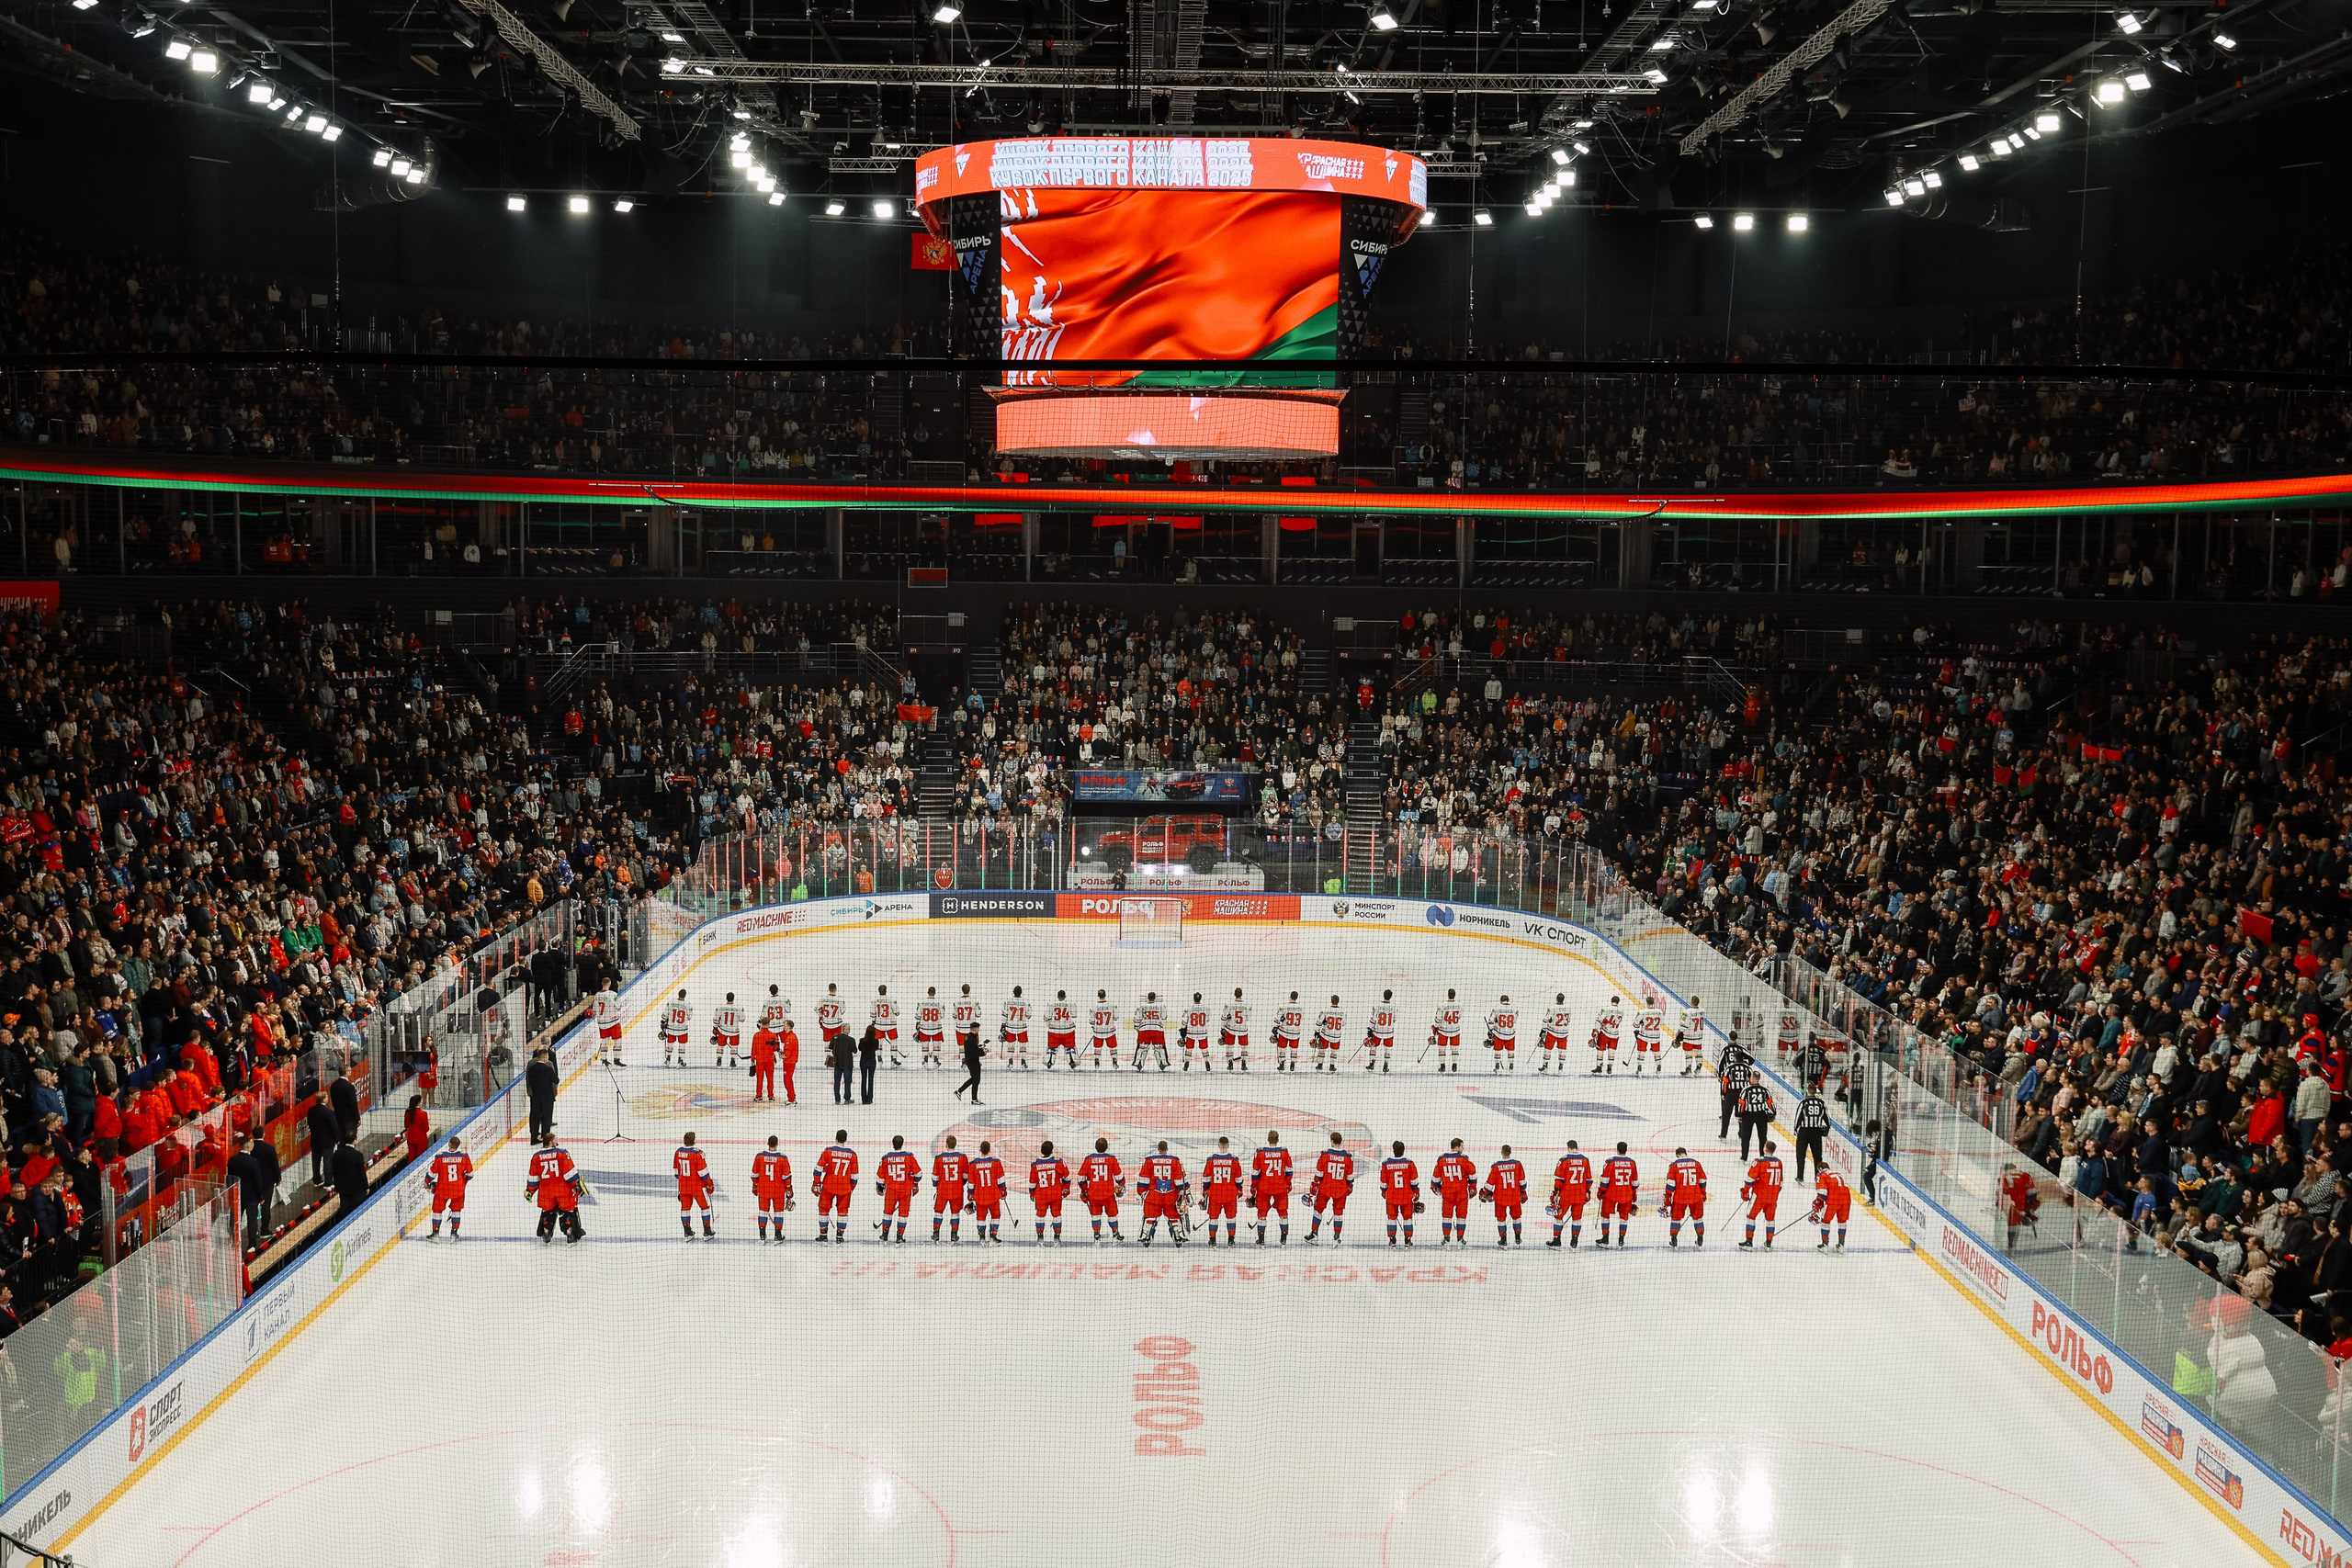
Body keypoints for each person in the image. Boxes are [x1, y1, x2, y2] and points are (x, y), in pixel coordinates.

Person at [526, 1131, 583, 1244]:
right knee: (569, 1210)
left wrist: (530, 1191)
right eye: (555, 1140)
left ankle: (546, 1230)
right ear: (551, 1142)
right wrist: (577, 1184)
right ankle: (570, 1232)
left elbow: (533, 1178)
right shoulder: (562, 1153)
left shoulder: (536, 1157)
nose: (557, 1141)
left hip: (546, 1191)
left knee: (548, 1211)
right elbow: (569, 1174)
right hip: (563, 1189)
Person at [1306, 1129, 1356, 1244]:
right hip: (1341, 1189)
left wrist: (1315, 1184)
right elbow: (1350, 1176)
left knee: (1318, 1210)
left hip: (1325, 1188)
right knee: (1338, 1213)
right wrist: (1350, 1186)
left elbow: (1319, 1173)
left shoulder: (1325, 1154)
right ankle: (1336, 1237)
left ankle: (1314, 1234)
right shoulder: (1348, 1157)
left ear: (1332, 1141)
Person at [225, 1132, 268, 1253]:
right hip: (251, 1197)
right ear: (248, 1146)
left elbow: (229, 1179)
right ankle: (251, 1245)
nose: (253, 1145)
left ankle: (232, 1241)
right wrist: (261, 1196)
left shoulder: (232, 1161)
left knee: (234, 1220)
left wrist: (231, 1194)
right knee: (252, 1221)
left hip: (237, 1196)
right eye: (252, 1143)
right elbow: (257, 1180)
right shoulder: (253, 1162)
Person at [1137, 1140, 1187, 1246]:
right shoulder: (1175, 1161)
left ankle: (1147, 1236)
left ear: (1158, 1149)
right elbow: (1180, 1180)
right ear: (1167, 1149)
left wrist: (1141, 1192)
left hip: (1153, 1195)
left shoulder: (1149, 1161)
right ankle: (1178, 1236)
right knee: (1174, 1216)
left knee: (1150, 1216)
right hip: (1171, 1195)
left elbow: (1143, 1179)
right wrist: (1183, 1192)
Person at [427, 1134, 473, 1240]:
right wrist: (462, 1181)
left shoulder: (440, 1157)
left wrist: (427, 1182)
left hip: (442, 1190)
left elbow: (431, 1174)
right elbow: (470, 1174)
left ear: (449, 1144)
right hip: (458, 1190)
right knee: (456, 1211)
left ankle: (435, 1233)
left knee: (437, 1211)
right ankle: (454, 1233)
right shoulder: (464, 1157)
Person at [1080, 1135, 1125, 1244]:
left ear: (1095, 1147)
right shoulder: (1112, 1159)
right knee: (1112, 1215)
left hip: (1093, 1193)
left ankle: (1096, 1236)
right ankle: (1115, 1234)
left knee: (1095, 1216)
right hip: (1108, 1193)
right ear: (1107, 1147)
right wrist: (1121, 1186)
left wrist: (1085, 1190)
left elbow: (1081, 1178)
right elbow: (1119, 1177)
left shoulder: (1088, 1159)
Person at [876, 1134, 921, 1243]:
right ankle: (900, 1236)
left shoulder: (886, 1158)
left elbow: (880, 1178)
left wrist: (880, 1187)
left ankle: (884, 1234)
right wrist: (914, 1184)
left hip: (891, 1190)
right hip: (905, 1190)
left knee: (887, 1213)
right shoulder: (909, 1157)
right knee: (903, 1214)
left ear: (892, 1143)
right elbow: (919, 1174)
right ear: (902, 1143)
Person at [1741, 1139, 1786, 1249]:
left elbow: (1750, 1179)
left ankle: (1749, 1242)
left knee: (1750, 1216)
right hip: (1773, 1196)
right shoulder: (1779, 1162)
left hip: (1759, 1195)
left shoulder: (1759, 1161)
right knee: (1770, 1219)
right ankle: (1769, 1243)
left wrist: (1745, 1191)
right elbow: (1780, 1182)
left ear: (1765, 1149)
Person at [1252, 1129, 1294, 1245]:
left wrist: (1254, 1186)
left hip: (1264, 1187)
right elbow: (1289, 1170)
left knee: (1262, 1213)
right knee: (1283, 1212)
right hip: (1280, 1186)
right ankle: (1284, 1238)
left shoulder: (1260, 1153)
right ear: (1278, 1139)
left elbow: (1255, 1172)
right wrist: (1288, 1183)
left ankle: (1261, 1239)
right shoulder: (1284, 1152)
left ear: (1268, 1139)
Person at [815, 1131, 858, 1243]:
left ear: (836, 1138)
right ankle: (840, 1236)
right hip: (845, 1187)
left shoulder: (828, 1151)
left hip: (828, 1185)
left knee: (823, 1209)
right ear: (846, 1139)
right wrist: (850, 1188)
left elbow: (818, 1169)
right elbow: (855, 1176)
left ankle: (823, 1235)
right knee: (843, 1211)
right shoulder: (852, 1155)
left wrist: (816, 1183)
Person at [1548, 1139, 1592, 1247]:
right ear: (1577, 1147)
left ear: (1568, 1148)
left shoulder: (1564, 1160)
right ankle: (1574, 1241)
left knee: (1559, 1216)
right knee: (1577, 1218)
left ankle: (1557, 1240)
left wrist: (1556, 1193)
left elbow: (1559, 1180)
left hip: (1566, 1194)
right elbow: (1589, 1180)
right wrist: (1587, 1191)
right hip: (1580, 1194)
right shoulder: (1585, 1160)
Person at [1433, 1137, 1476, 1247]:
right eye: (1462, 1146)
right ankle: (1460, 1239)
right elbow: (1472, 1174)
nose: (1463, 1148)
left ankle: (1446, 1239)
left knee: (1447, 1216)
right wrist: (1472, 1188)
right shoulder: (1464, 1159)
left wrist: (1435, 1187)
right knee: (1461, 1216)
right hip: (1461, 1192)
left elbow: (1436, 1177)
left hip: (1447, 1192)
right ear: (1457, 1147)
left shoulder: (1442, 1159)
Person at [1662, 1145, 1707, 1248]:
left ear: (1677, 1155)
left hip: (1680, 1197)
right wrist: (1703, 1193)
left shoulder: (1674, 1166)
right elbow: (1703, 1180)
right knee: (1698, 1218)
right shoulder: (1696, 1164)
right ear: (1686, 1153)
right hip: (1696, 1196)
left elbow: (1670, 1184)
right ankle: (1700, 1237)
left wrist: (1668, 1196)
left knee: (1676, 1219)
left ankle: (1674, 1239)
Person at [752, 1135, 796, 1242]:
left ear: (767, 1143)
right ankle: (778, 1235)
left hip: (763, 1190)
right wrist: (789, 1189)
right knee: (779, 1212)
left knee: (763, 1212)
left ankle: (762, 1235)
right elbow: (787, 1176)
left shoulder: (759, 1156)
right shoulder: (782, 1158)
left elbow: (754, 1174)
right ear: (777, 1144)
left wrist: (756, 1185)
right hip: (778, 1191)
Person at [1202, 1135, 1244, 1246]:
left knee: (1213, 1217)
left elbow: (1206, 1178)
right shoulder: (1234, 1160)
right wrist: (1239, 1189)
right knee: (1231, 1217)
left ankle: (1212, 1239)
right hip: (1230, 1193)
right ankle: (1231, 1239)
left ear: (1219, 1145)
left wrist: (1206, 1189)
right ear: (1228, 1145)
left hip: (1215, 1193)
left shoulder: (1211, 1160)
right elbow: (1238, 1178)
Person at [1030, 1137, 1072, 1245]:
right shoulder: (1058, 1162)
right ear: (1052, 1150)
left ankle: (1040, 1238)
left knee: (1040, 1215)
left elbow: (1032, 1183)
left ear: (1041, 1150)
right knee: (1057, 1215)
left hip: (1041, 1195)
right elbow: (1067, 1177)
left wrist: (1032, 1193)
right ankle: (1057, 1238)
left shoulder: (1035, 1165)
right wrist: (1065, 1189)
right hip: (1055, 1194)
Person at [1598, 1141, 1639, 1247]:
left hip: (1611, 1193)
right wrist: (1633, 1193)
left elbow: (1605, 1179)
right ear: (1626, 1149)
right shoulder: (1632, 1163)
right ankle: (1621, 1240)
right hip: (1626, 1194)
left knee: (1605, 1215)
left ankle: (1605, 1238)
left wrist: (1601, 1191)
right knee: (1624, 1217)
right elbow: (1635, 1182)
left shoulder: (1610, 1162)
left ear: (1617, 1149)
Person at [1485, 1144, 1528, 1247]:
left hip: (1500, 1197)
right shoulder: (1518, 1164)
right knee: (1517, 1217)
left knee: (1501, 1219)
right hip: (1515, 1196)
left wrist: (1487, 1193)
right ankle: (1518, 1239)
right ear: (1510, 1152)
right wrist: (1523, 1192)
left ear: (1501, 1152)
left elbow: (1490, 1184)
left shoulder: (1496, 1166)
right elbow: (1522, 1182)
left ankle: (1503, 1240)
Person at [674, 1130, 715, 1239]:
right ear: (694, 1141)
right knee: (705, 1207)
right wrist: (710, 1184)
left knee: (685, 1208)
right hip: (697, 1187)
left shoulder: (678, 1152)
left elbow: (676, 1173)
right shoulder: (698, 1153)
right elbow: (703, 1173)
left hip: (683, 1187)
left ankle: (687, 1232)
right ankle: (707, 1231)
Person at [932, 1134, 971, 1243]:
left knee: (938, 1212)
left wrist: (936, 1185)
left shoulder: (939, 1158)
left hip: (942, 1190)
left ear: (946, 1145)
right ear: (955, 1144)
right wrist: (960, 1184)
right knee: (955, 1213)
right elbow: (966, 1176)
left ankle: (936, 1233)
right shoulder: (962, 1157)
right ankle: (954, 1234)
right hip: (957, 1190)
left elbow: (935, 1176)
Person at [1380, 1140, 1421, 1246]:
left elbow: (1383, 1182)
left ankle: (1392, 1239)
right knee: (1407, 1218)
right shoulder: (1410, 1163)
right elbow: (1414, 1181)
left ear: (1393, 1150)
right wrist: (1416, 1192)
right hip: (1406, 1196)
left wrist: (1384, 1192)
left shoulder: (1386, 1163)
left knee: (1391, 1218)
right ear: (1404, 1150)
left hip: (1391, 1196)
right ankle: (1408, 1239)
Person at [1718, 1033, 1755, 1141]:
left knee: (1726, 1114)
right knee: (1742, 1114)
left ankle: (1724, 1135)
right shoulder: (1747, 1067)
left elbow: (1721, 1065)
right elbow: (1752, 1062)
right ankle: (1741, 1134)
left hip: (1730, 1092)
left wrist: (1723, 1093)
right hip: (1742, 1093)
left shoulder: (1728, 1065)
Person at [969, 1140, 1007, 1243]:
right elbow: (1001, 1180)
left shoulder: (973, 1164)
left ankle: (981, 1237)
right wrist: (1003, 1191)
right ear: (990, 1150)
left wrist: (970, 1194)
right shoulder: (996, 1162)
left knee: (980, 1217)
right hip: (993, 1195)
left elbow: (971, 1183)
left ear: (980, 1150)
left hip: (980, 1196)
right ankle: (993, 1236)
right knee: (996, 1215)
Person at [1811, 1165, 1854, 1251]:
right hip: (1846, 1199)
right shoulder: (1837, 1173)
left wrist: (1817, 1202)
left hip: (1833, 1200)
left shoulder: (1821, 1175)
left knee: (1825, 1221)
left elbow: (1822, 1193)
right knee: (1842, 1221)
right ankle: (1841, 1245)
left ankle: (1825, 1245)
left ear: (1820, 1168)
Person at [1792, 1084, 1830, 1179]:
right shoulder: (1821, 1103)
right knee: (1817, 1156)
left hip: (1804, 1132)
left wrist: (1796, 1129)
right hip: (1816, 1132)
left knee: (1800, 1156)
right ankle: (1817, 1176)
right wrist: (1827, 1128)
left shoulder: (1803, 1103)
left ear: (1807, 1091)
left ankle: (1800, 1176)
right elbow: (1827, 1119)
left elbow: (1798, 1117)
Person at [1736, 1073, 1776, 1160]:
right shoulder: (1764, 1090)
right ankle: (1763, 1156)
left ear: (1753, 1078)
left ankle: (1744, 1157)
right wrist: (1773, 1113)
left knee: (1746, 1137)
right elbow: (1770, 1103)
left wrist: (1739, 1114)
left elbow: (1741, 1103)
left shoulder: (1746, 1090)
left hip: (1748, 1115)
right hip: (1761, 1115)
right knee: (1762, 1137)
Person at [330, 1135, 370, 1218]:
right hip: (356, 1190)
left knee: (345, 1212)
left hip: (343, 1190)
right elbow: (361, 1173)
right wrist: (366, 1187)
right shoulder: (358, 1155)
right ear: (354, 1141)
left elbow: (334, 1170)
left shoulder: (337, 1153)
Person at [526, 1046, 559, 1143]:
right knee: (546, 1118)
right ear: (543, 1057)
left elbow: (529, 1081)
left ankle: (533, 1138)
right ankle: (546, 1138)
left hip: (535, 1097)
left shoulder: (531, 1069)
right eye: (547, 1057)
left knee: (535, 1116)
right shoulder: (548, 1069)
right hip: (547, 1098)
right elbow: (556, 1080)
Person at [330, 1065, 362, 1145]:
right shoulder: (349, 1087)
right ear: (346, 1072)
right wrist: (357, 1118)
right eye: (349, 1071)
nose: (350, 1072)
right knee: (350, 1140)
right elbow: (353, 1104)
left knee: (341, 1140)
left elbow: (334, 1102)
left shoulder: (333, 1086)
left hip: (338, 1117)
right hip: (349, 1119)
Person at [953, 1023, 984, 1104]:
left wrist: (979, 1048)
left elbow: (972, 1049)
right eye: (978, 1029)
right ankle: (974, 1100)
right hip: (972, 1061)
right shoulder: (971, 1039)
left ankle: (959, 1091)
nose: (979, 1030)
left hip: (971, 1060)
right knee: (976, 1080)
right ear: (975, 1029)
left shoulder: (968, 1037)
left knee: (974, 1079)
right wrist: (983, 1052)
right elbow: (974, 1053)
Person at [856, 1024, 882, 1105]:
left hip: (863, 1060)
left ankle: (864, 1099)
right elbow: (876, 1048)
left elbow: (860, 1049)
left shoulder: (862, 1040)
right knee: (871, 1079)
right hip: (872, 1060)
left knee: (863, 1080)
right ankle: (869, 1099)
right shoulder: (876, 1041)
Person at [402, 1093, 431, 1164]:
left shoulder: (407, 1112)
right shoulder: (423, 1114)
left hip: (411, 1138)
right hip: (421, 1139)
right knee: (421, 1159)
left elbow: (406, 1126)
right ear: (419, 1102)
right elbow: (426, 1129)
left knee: (411, 1158)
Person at [830, 1028, 855, 1106]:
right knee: (847, 1082)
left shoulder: (835, 1038)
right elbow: (855, 1050)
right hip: (847, 1063)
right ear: (847, 1030)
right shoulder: (851, 1039)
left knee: (837, 1082)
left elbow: (830, 1046)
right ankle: (847, 1099)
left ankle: (837, 1099)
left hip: (837, 1063)